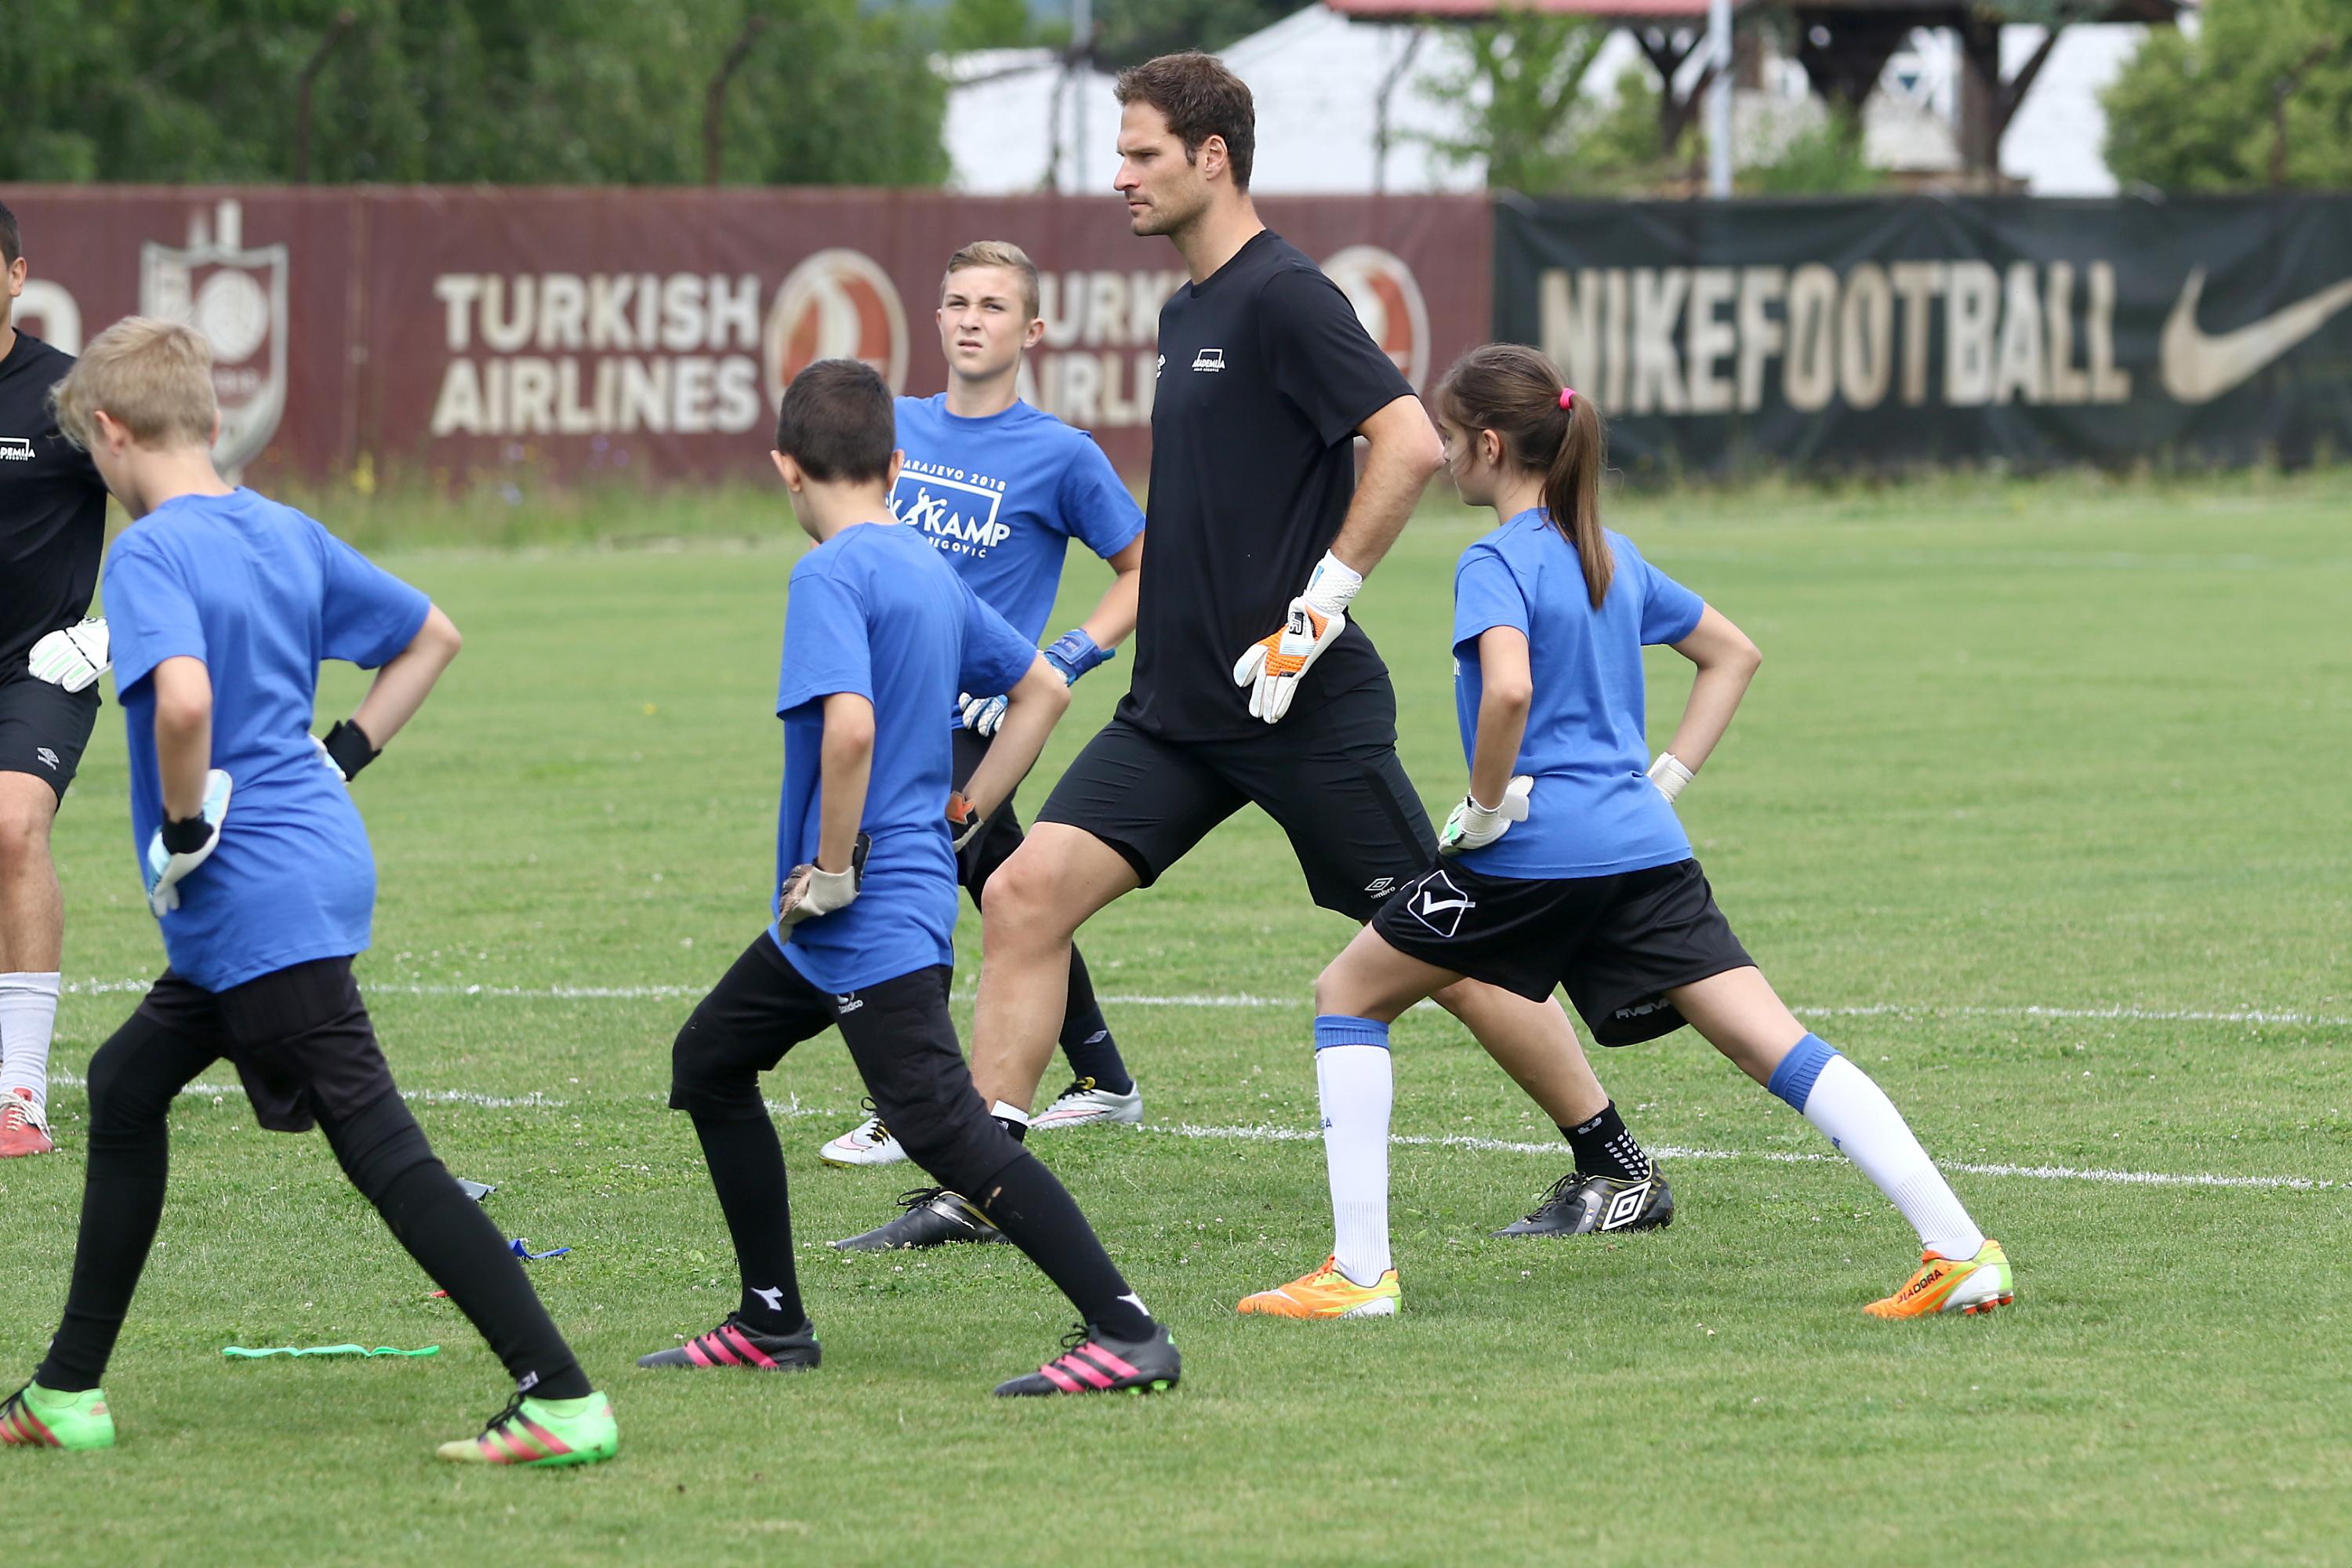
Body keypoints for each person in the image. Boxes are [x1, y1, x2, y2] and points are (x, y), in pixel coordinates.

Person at [841, 52, 1673, 1306]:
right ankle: (983, 1178)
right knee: (1020, 898)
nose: (1118, 176)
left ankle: (1617, 1167)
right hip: (1177, 709)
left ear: (1211, 156)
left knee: (1432, 947)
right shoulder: (1187, 312)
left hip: (1300, 705)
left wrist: (1317, 606)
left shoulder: (1287, 295)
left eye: (1139, 154)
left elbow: (1399, 439)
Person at [1252, 341, 2016, 1320]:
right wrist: (1668, 778)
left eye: (1449, 438)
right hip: (1646, 847)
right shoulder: (1608, 551)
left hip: (1532, 854)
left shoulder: (1493, 558)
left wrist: (1484, 808)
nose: (1442, 458)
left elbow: (1511, 689)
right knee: (1775, 1042)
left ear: (1490, 444)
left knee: (1348, 993)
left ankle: (1359, 1275)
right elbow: (1732, 655)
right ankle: (1958, 1246)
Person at [0, 318, 620, 1461]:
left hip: (250, 888)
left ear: (108, 433)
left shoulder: (147, 553)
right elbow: (432, 635)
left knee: (382, 1150)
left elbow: (182, 704)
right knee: (126, 1082)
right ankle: (64, 1392)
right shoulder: (282, 527)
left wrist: (185, 828)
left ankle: (563, 1394)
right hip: (309, 859)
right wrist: (340, 757)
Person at [641, 358, 1178, 1396]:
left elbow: (849, 731)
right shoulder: (928, 566)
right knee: (710, 1058)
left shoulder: (830, 573)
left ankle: (1126, 1330)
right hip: (856, 907)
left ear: (785, 469)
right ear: (894, 463)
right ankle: (771, 1322)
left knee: (943, 1128)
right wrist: (969, 808)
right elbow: (1039, 690)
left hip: (861, 906)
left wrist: (835, 869)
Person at [820, 240, 1148, 1207]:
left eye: (995, 306)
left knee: (892, 885)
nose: (972, 319)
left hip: (974, 715)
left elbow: (1146, 566)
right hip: (884, 703)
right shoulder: (897, 428)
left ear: (1032, 330)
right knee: (1007, 887)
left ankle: (908, 1101)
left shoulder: (1060, 453)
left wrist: (1067, 655)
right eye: (957, 300)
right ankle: (1103, 1074)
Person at [0, 199, 115, 1158]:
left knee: (10, 825)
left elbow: (184, 510)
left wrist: (118, 631)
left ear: (16, 275)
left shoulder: (68, 398)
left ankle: (21, 1095)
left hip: (40, 666)